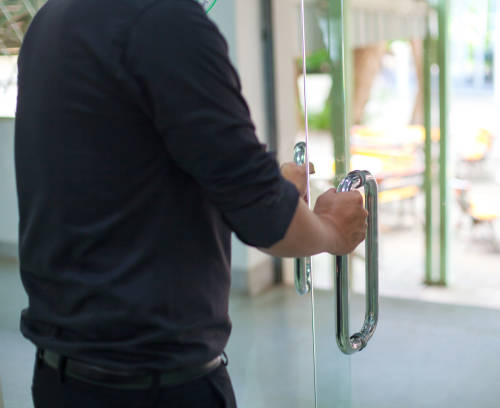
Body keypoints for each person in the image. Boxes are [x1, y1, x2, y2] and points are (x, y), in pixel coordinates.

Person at [14, 0, 368, 407]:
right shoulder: (166, 21)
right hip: (154, 387)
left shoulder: (52, 19)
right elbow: (267, 221)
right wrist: (333, 230)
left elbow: (118, 176)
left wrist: (269, 186)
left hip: (62, 378)